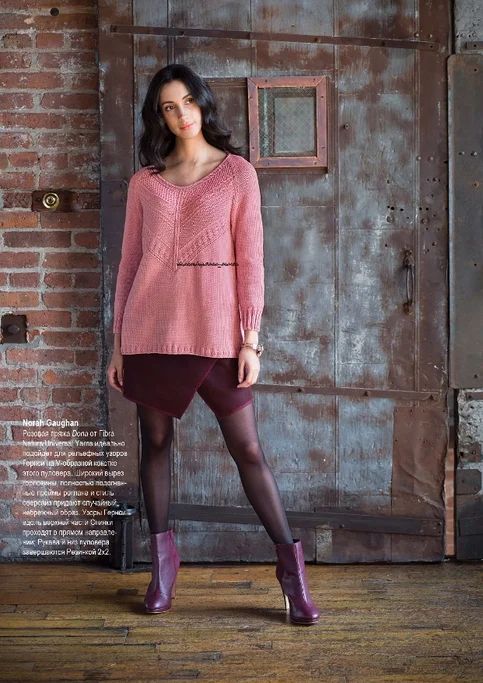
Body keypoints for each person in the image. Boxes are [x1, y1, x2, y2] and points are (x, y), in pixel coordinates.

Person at [107, 63, 319, 626]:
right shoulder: (145, 183)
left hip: (219, 334)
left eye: (187, 102)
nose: (180, 115)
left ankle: (292, 575)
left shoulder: (236, 174)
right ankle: (162, 568)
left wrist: (251, 339)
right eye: (167, 107)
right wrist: (119, 344)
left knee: (247, 450)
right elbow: (129, 265)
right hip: (150, 332)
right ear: (158, 116)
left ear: (202, 102)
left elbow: (252, 260)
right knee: (155, 444)